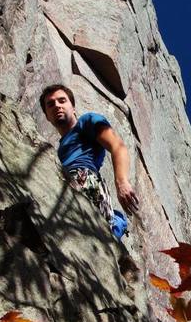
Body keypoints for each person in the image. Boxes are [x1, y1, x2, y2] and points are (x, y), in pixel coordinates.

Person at [39, 84, 139, 239]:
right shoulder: (60, 149)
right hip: (63, 182)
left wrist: (122, 182)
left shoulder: (87, 121)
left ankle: (114, 224)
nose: (57, 106)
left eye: (62, 101)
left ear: (73, 107)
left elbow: (117, 146)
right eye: (50, 104)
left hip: (85, 180)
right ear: (47, 115)